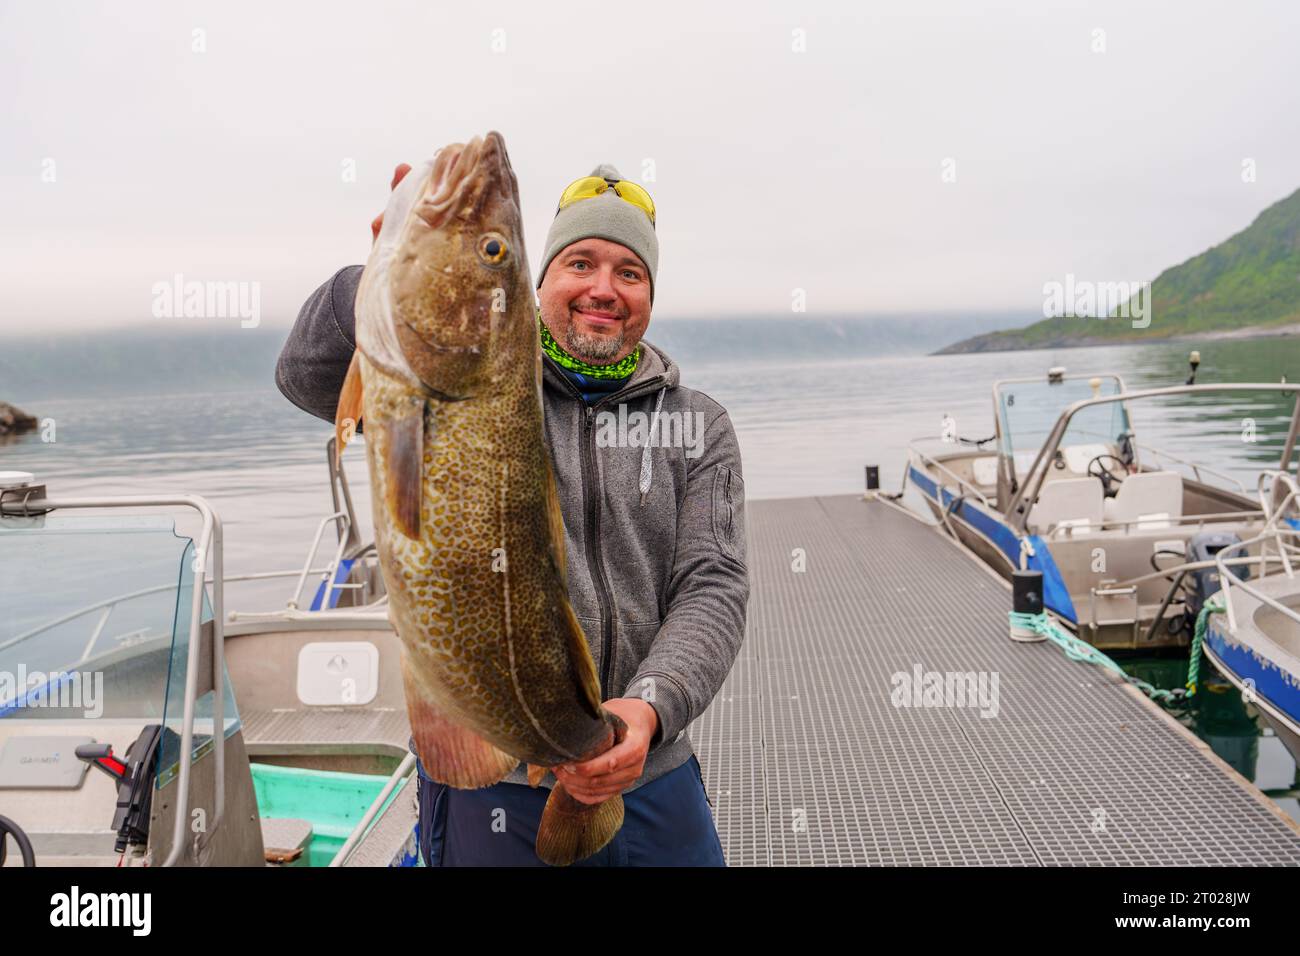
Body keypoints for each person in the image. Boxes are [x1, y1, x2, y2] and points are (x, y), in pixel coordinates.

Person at [274, 159, 749, 866]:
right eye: (580, 262)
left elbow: (713, 586)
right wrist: (370, 279)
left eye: (629, 272)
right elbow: (306, 377)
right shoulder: (460, 368)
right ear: (541, 279)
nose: (603, 289)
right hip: (490, 772)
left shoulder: (699, 424)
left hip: (650, 767)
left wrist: (646, 711)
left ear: (649, 291)